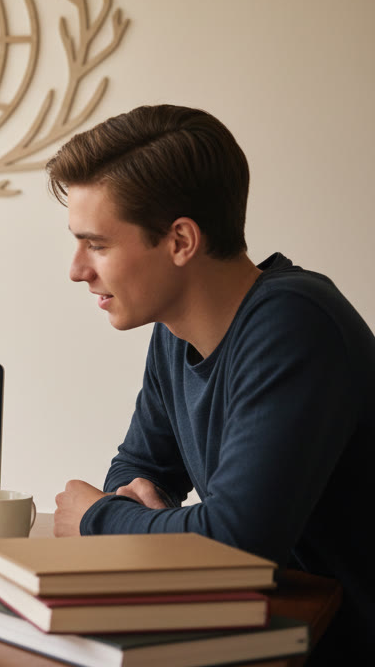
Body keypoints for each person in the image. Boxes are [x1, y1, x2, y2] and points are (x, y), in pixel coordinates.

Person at [46, 105, 374, 658]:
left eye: (97, 244)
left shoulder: (294, 322)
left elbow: (237, 546)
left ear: (180, 241)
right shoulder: (175, 331)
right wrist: (164, 525)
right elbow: (137, 470)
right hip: (259, 636)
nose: (77, 269)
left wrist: (98, 517)